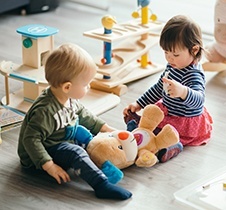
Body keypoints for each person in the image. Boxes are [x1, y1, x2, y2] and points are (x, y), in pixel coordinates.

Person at [17, 43, 132, 200]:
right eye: (85, 84)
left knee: (92, 142)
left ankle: (108, 165)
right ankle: (101, 185)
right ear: (67, 87)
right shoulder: (45, 112)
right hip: (39, 155)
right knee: (76, 152)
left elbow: (84, 115)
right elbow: (31, 140)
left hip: (61, 138)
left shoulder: (68, 98)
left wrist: (107, 129)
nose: (89, 86)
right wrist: (49, 165)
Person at [123, 15, 213, 163]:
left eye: (175, 54)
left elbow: (199, 101)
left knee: (170, 135)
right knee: (152, 116)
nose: (169, 59)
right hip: (168, 111)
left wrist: (183, 91)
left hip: (184, 121)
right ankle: (139, 128)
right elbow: (159, 88)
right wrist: (139, 104)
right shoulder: (173, 65)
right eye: (166, 53)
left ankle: (171, 147)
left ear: (194, 50)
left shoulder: (193, 74)